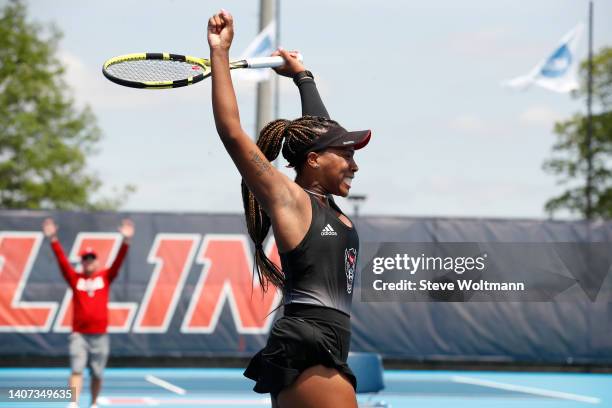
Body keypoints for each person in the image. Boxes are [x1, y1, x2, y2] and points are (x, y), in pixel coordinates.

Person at [207, 10, 371, 408]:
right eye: (345, 154)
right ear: (314, 160)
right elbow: (232, 133)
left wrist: (304, 77)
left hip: (325, 347)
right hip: (309, 348)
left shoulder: (323, 202)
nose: (354, 163)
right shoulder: (291, 200)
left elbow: (321, 128)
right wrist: (220, 54)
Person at [42, 218, 134, 408]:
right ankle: (74, 403)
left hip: (100, 334)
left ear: (97, 261)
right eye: (85, 259)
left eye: (92, 258)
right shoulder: (75, 279)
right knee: (76, 368)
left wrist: (125, 241)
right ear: (82, 262)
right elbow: (62, 262)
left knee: (98, 372)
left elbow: (118, 261)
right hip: (80, 334)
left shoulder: (105, 277)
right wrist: (53, 239)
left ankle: (93, 403)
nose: (89, 262)